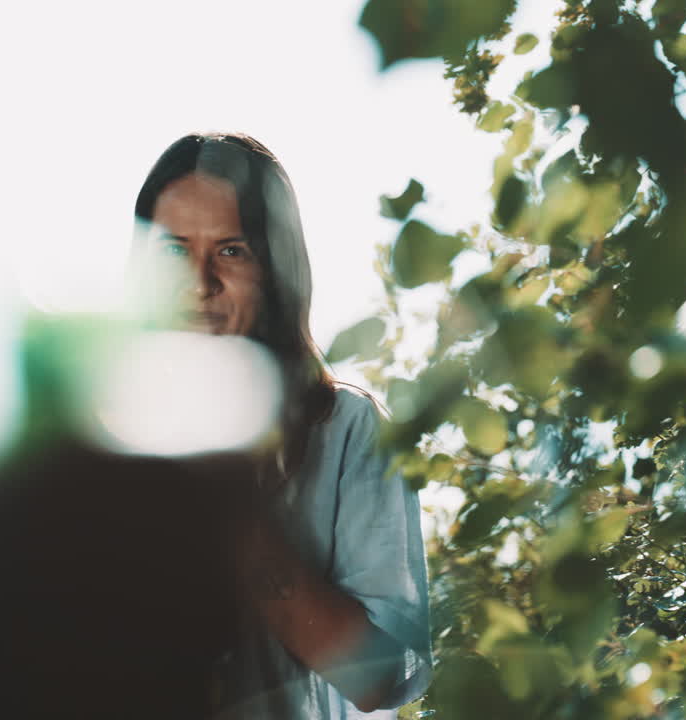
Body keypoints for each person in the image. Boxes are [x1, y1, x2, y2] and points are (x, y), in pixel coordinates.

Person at [132, 132, 431, 718]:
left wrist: (235, 515)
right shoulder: (91, 437)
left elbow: (380, 679)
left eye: (231, 250)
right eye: (173, 251)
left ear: (275, 267)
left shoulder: (344, 426)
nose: (199, 283)